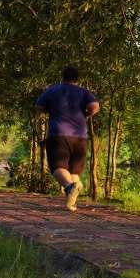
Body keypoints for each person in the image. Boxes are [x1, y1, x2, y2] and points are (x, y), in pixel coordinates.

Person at [35, 67, 100, 211]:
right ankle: (71, 203)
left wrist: (50, 110)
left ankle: (70, 187)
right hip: (80, 136)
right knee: (73, 171)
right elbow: (95, 106)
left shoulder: (53, 90)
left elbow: (39, 105)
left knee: (57, 167)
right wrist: (87, 114)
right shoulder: (83, 92)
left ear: (63, 77)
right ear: (78, 79)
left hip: (59, 133)